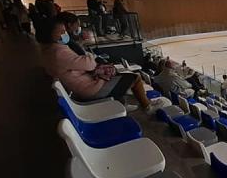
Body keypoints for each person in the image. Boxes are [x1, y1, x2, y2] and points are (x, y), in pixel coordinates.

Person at [39, 19, 169, 113]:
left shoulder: (48, 51)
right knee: (135, 78)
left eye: (64, 31)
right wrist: (87, 54)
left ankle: (121, 103)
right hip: (90, 90)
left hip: (82, 86)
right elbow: (89, 64)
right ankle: (147, 107)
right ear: (50, 34)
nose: (64, 34)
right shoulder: (58, 52)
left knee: (117, 76)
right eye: (60, 32)